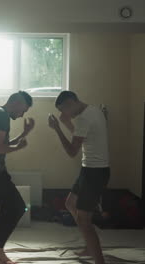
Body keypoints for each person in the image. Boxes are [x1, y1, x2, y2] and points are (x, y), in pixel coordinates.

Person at [48, 91, 109, 264]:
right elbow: (81, 136)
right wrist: (66, 122)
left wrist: (58, 128)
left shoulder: (84, 118)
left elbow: (72, 151)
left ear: (71, 103)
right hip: (88, 169)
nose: (64, 114)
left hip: (95, 173)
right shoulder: (93, 110)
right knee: (70, 204)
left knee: (84, 220)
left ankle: (99, 260)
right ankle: (90, 245)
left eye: (64, 110)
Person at [0, 91, 35, 264]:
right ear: (16, 103)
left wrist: (24, 133)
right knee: (17, 207)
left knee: (9, 207)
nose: (22, 114)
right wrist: (19, 148)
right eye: (23, 110)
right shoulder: (1, 116)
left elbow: (2, 144)